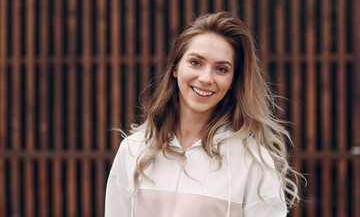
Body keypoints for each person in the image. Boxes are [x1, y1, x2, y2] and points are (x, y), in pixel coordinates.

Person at [105, 12, 301, 217]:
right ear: (175, 68)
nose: (206, 78)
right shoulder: (133, 149)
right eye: (196, 63)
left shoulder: (252, 161)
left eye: (222, 69)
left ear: (233, 80)